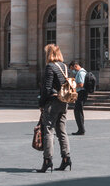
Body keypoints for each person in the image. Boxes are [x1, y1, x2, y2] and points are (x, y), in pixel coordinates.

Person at [37, 44, 72, 172]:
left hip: (52, 102)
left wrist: (41, 103)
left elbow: (46, 88)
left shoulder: (50, 67)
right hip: (64, 102)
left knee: (48, 131)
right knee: (62, 131)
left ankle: (47, 160)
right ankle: (66, 158)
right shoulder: (64, 67)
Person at [70, 60, 88, 136]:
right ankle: (81, 129)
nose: (72, 71)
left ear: (75, 66)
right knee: (78, 111)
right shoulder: (81, 72)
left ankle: (81, 129)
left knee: (78, 111)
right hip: (81, 93)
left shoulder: (81, 73)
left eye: (72, 69)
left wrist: (73, 85)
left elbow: (81, 84)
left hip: (81, 93)